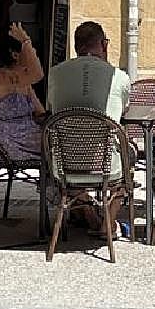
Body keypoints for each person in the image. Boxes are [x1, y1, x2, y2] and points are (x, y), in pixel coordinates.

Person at [47, 22, 131, 235]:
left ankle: (85, 208)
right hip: (106, 165)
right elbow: (124, 110)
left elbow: (50, 108)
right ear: (104, 44)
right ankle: (109, 223)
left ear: (76, 47)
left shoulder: (56, 74)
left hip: (63, 164)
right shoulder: (118, 77)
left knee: (60, 158)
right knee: (128, 156)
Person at [0, 21, 46, 161]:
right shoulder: (1, 78)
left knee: (67, 138)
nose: (33, 56)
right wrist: (26, 41)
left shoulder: (23, 82)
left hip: (28, 135)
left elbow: (40, 112)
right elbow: (38, 74)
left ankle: (56, 181)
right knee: (64, 144)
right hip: (13, 141)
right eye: (29, 52)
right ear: (15, 55)